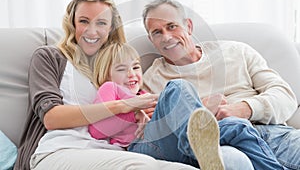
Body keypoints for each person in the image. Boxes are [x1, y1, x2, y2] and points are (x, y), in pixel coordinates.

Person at [14, 0, 199, 170]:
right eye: (84, 21)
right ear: (73, 23)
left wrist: (140, 112)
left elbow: (143, 105)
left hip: (114, 153)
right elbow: (52, 118)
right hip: (61, 150)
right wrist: (125, 105)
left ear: (111, 27)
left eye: (101, 23)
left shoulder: (118, 65)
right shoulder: (50, 57)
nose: (92, 31)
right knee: (142, 165)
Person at [141, 0, 300, 170]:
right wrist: (203, 108)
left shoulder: (236, 51)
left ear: (188, 26)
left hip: (274, 134)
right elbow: (160, 133)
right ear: (151, 40)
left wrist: (244, 108)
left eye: (172, 26)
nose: (167, 37)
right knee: (231, 161)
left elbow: (285, 96)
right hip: (222, 144)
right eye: (157, 32)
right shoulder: (151, 81)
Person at [88, 42, 283, 170]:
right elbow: (98, 130)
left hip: (173, 144)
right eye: (122, 69)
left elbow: (175, 118)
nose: (132, 74)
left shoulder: (144, 94)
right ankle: (194, 142)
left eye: (136, 67)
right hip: (141, 146)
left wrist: (205, 107)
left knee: (237, 126)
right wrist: (133, 111)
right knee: (177, 86)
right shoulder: (110, 88)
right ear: (106, 74)